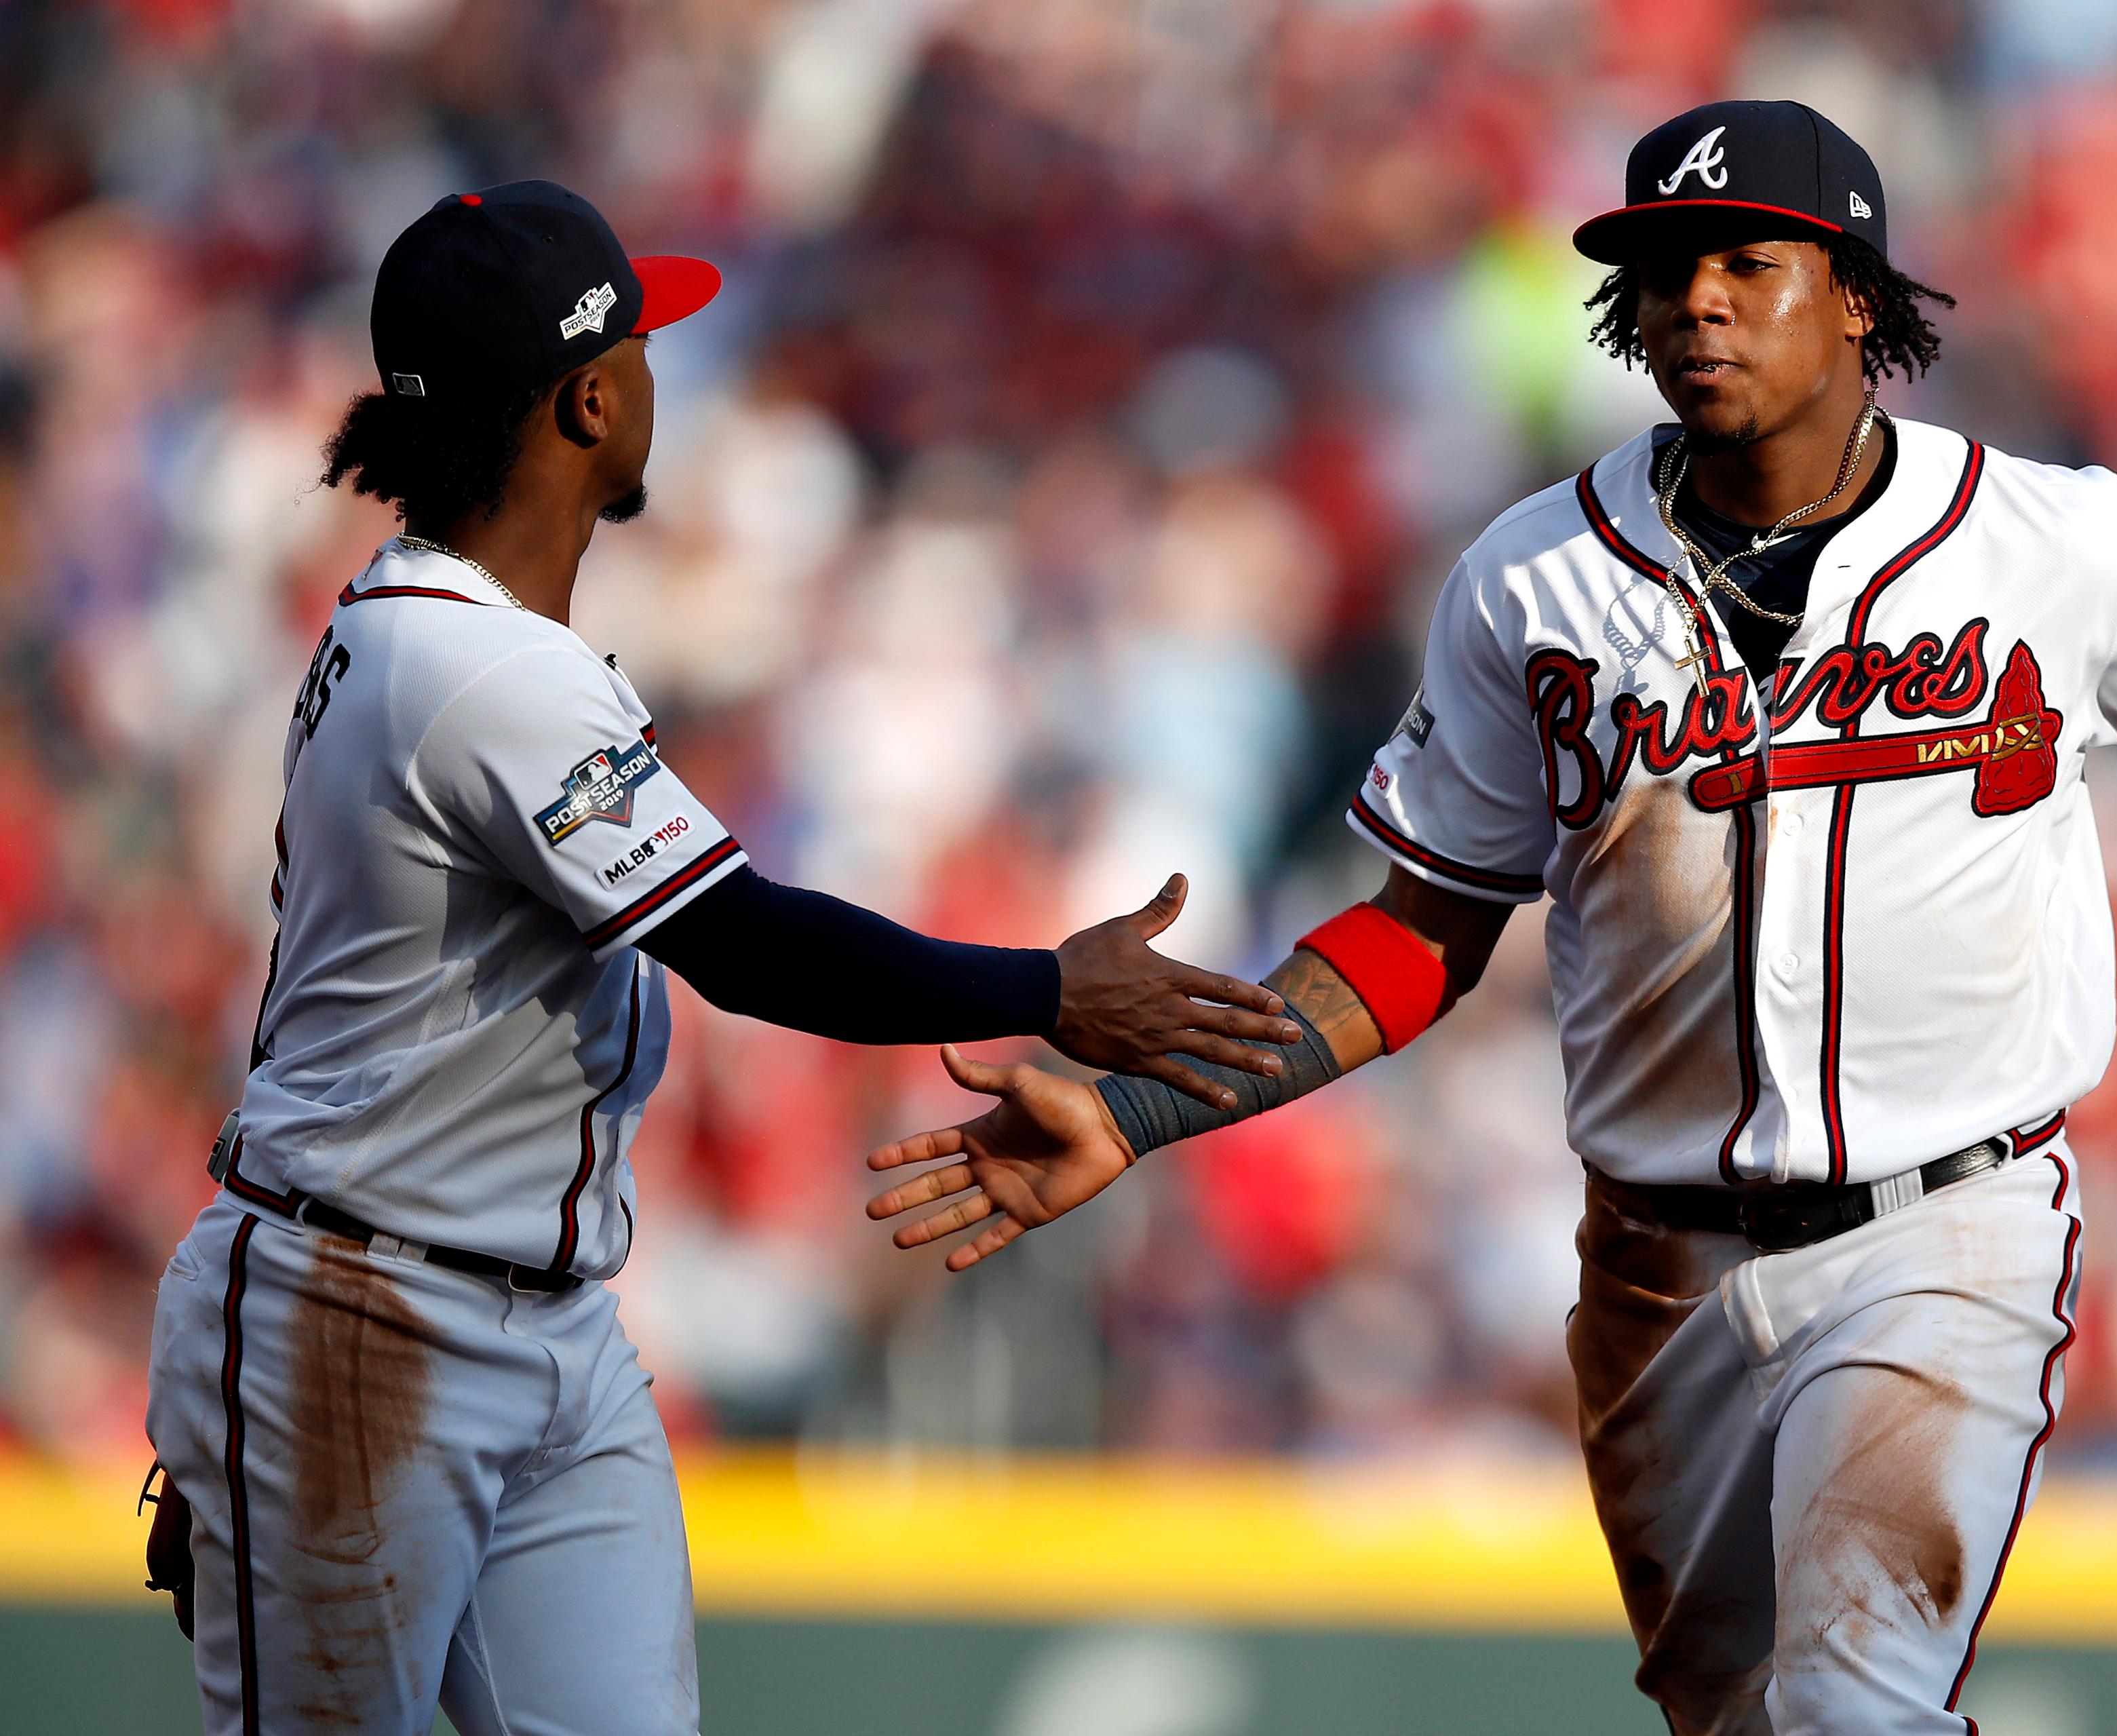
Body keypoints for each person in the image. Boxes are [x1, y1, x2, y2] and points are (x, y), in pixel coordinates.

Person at [861, 102, 2117, 1735]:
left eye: (1748, 261)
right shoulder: (1532, 579)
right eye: (1664, 271)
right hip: (1658, 1262)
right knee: (1738, 1721)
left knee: (1856, 1706)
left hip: (1948, 1220)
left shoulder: (2049, 541)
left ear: (1858, 295)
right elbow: (1420, 933)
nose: (1698, 299)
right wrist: (1144, 1106)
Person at [138, 180, 1294, 1736]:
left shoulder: (430, 631)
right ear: (589, 400)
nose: (659, 375)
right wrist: (1052, 989)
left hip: (528, 1319)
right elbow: (744, 942)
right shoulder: (471, 665)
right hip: (363, 1315)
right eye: (641, 345)